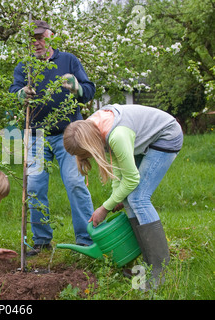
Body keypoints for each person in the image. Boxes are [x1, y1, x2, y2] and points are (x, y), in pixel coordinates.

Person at [63, 104, 183, 288]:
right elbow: (118, 166)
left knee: (138, 199)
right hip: (144, 139)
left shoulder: (116, 135)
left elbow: (132, 179)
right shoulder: (92, 127)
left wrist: (105, 207)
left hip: (166, 135)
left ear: (89, 145)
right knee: (128, 199)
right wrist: (116, 197)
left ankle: (160, 274)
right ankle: (145, 269)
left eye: (85, 154)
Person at [9, 20, 96, 255]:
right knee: (35, 186)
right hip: (36, 134)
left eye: (41, 37)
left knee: (75, 183)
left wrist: (76, 86)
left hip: (69, 134)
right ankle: (41, 240)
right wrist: (20, 94)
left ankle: (87, 239)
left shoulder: (68, 60)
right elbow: (12, 92)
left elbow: (89, 90)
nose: (36, 43)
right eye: (32, 39)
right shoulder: (25, 66)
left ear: (51, 37)